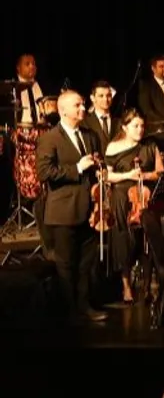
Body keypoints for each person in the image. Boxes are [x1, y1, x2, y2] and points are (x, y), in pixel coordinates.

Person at [35, 90, 106, 322]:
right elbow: (44, 172)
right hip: (63, 211)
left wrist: (99, 169)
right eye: (77, 105)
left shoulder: (90, 135)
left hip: (88, 208)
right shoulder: (50, 138)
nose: (83, 108)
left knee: (86, 263)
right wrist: (77, 168)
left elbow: (97, 164)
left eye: (83, 104)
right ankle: (69, 311)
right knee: (66, 264)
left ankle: (85, 305)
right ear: (63, 110)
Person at [103, 109, 164, 305]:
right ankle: (126, 285)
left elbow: (160, 171)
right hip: (122, 196)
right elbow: (107, 176)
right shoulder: (113, 147)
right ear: (124, 127)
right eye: (135, 126)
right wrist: (128, 175)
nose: (140, 130)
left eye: (142, 126)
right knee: (125, 240)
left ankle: (147, 285)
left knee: (147, 239)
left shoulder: (150, 145)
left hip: (144, 196)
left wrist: (145, 175)